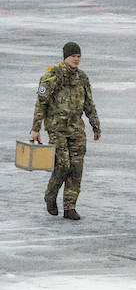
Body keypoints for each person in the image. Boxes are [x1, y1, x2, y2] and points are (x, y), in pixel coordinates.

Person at [30, 41, 101, 220]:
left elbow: (88, 104)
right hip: (57, 128)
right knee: (63, 165)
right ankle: (50, 195)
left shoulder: (82, 78)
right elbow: (41, 103)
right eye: (73, 56)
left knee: (76, 168)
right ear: (65, 57)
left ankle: (70, 206)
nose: (76, 60)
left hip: (76, 128)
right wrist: (36, 128)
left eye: (78, 56)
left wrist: (95, 125)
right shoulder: (52, 77)